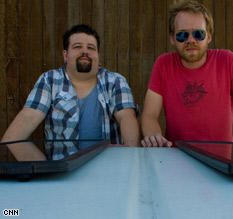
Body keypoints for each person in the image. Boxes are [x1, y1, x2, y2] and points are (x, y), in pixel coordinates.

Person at [141, 1, 233, 160]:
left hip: (220, 166)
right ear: (172, 38)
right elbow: (149, 114)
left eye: (198, 34)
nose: (191, 40)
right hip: (177, 163)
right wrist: (155, 137)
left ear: (209, 36)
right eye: (182, 35)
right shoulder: (163, 64)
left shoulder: (227, 61)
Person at [1, 24, 140, 161]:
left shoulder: (115, 81)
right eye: (77, 47)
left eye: (91, 48)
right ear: (65, 55)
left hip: (108, 172)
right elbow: (14, 136)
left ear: (98, 55)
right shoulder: (49, 80)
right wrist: (47, 174)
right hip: (63, 177)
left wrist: (130, 157)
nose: (85, 51)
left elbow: (126, 117)